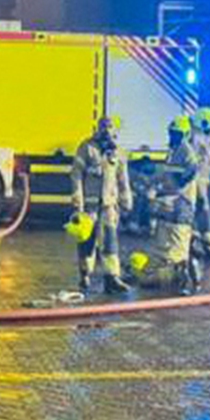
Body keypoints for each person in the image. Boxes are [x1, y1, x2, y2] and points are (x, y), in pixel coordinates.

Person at [71, 116, 133, 294]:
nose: (107, 131)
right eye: (104, 127)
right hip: (90, 206)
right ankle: (84, 275)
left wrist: (126, 199)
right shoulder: (87, 147)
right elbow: (76, 175)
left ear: (116, 131)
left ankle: (111, 277)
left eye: (110, 128)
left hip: (109, 205)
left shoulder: (118, 152)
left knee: (110, 241)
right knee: (87, 241)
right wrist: (78, 203)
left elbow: (123, 179)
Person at [151, 115, 202, 295]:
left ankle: (187, 284)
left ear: (185, 134)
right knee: (175, 245)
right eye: (171, 133)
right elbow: (168, 173)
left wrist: (178, 185)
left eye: (176, 134)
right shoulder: (174, 150)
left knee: (180, 247)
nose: (172, 136)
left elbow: (192, 170)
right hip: (174, 202)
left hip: (182, 204)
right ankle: (184, 280)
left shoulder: (186, 150)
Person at [191, 106, 210, 260]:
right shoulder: (195, 138)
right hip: (195, 179)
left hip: (203, 178)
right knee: (202, 208)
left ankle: (203, 243)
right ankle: (204, 243)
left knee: (199, 209)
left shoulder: (206, 136)